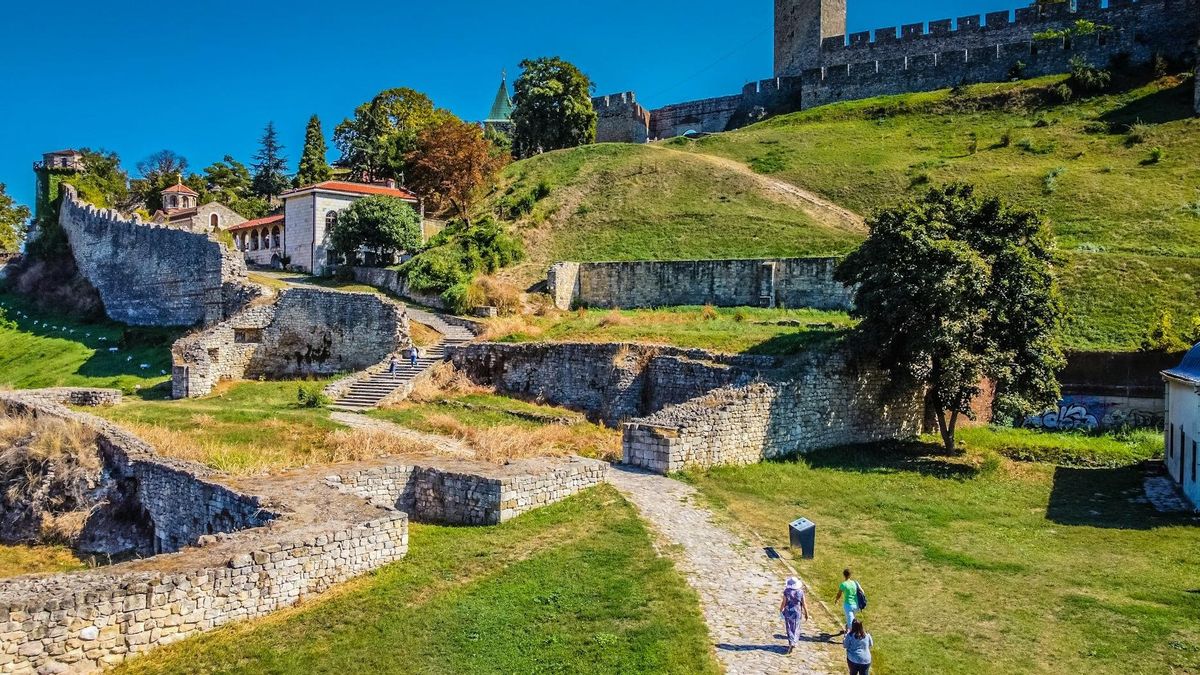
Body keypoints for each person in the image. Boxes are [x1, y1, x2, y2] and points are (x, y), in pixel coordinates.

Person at [778, 577, 810, 653]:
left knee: (789, 627)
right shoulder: (800, 592)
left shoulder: (787, 591)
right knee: (797, 626)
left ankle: (791, 642)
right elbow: (804, 603)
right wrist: (806, 613)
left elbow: (784, 602)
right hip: (797, 611)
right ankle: (794, 641)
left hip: (788, 611)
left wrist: (781, 610)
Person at [833, 568, 862, 634]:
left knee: (850, 623)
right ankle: (846, 630)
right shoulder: (855, 583)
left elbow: (839, 594)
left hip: (848, 606)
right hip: (856, 605)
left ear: (844, 575)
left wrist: (836, 600)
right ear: (850, 575)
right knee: (851, 618)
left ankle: (851, 636)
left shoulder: (843, 584)